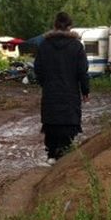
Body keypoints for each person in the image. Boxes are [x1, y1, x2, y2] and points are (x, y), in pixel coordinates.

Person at [34, 12, 89, 165]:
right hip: (70, 93)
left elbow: (37, 69)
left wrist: (45, 83)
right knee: (68, 123)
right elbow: (82, 71)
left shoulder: (44, 45)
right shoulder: (77, 46)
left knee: (51, 123)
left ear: (54, 26)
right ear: (70, 27)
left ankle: (51, 154)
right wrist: (85, 90)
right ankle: (63, 156)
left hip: (50, 92)